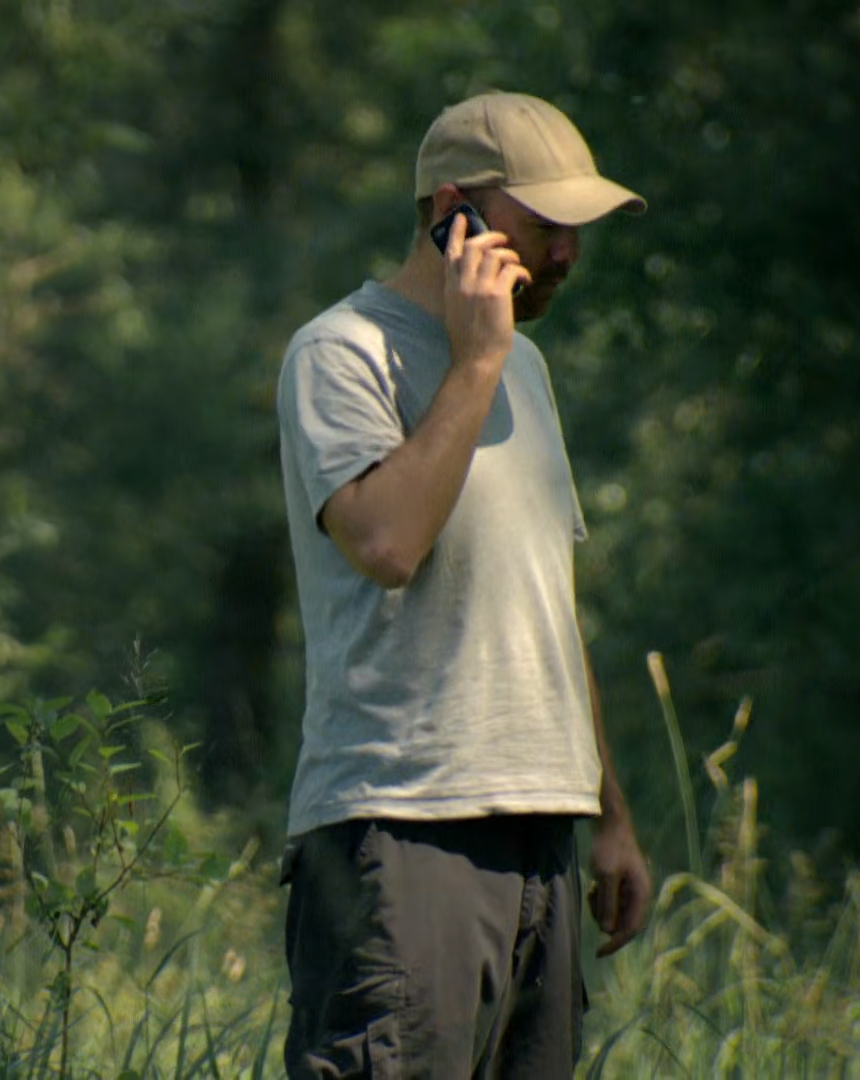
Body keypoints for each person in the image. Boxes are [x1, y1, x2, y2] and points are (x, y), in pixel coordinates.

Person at [275, 91, 653, 1078]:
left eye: (578, 229)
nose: (567, 253)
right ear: (454, 213)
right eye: (544, 225)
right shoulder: (339, 352)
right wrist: (476, 362)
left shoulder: (525, 367)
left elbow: (545, 610)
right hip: (402, 831)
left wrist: (609, 815)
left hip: (542, 834)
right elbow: (387, 543)